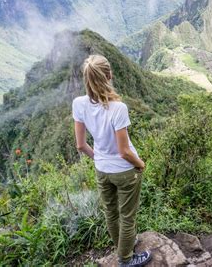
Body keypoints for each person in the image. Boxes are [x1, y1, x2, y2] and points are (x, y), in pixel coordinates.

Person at [72, 54, 152, 267]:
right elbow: (124, 151)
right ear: (108, 76)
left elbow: (80, 145)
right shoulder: (118, 108)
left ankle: (123, 246)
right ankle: (125, 259)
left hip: (102, 170)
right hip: (125, 171)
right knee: (127, 217)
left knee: (111, 212)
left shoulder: (79, 104)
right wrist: (140, 164)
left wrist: (99, 158)